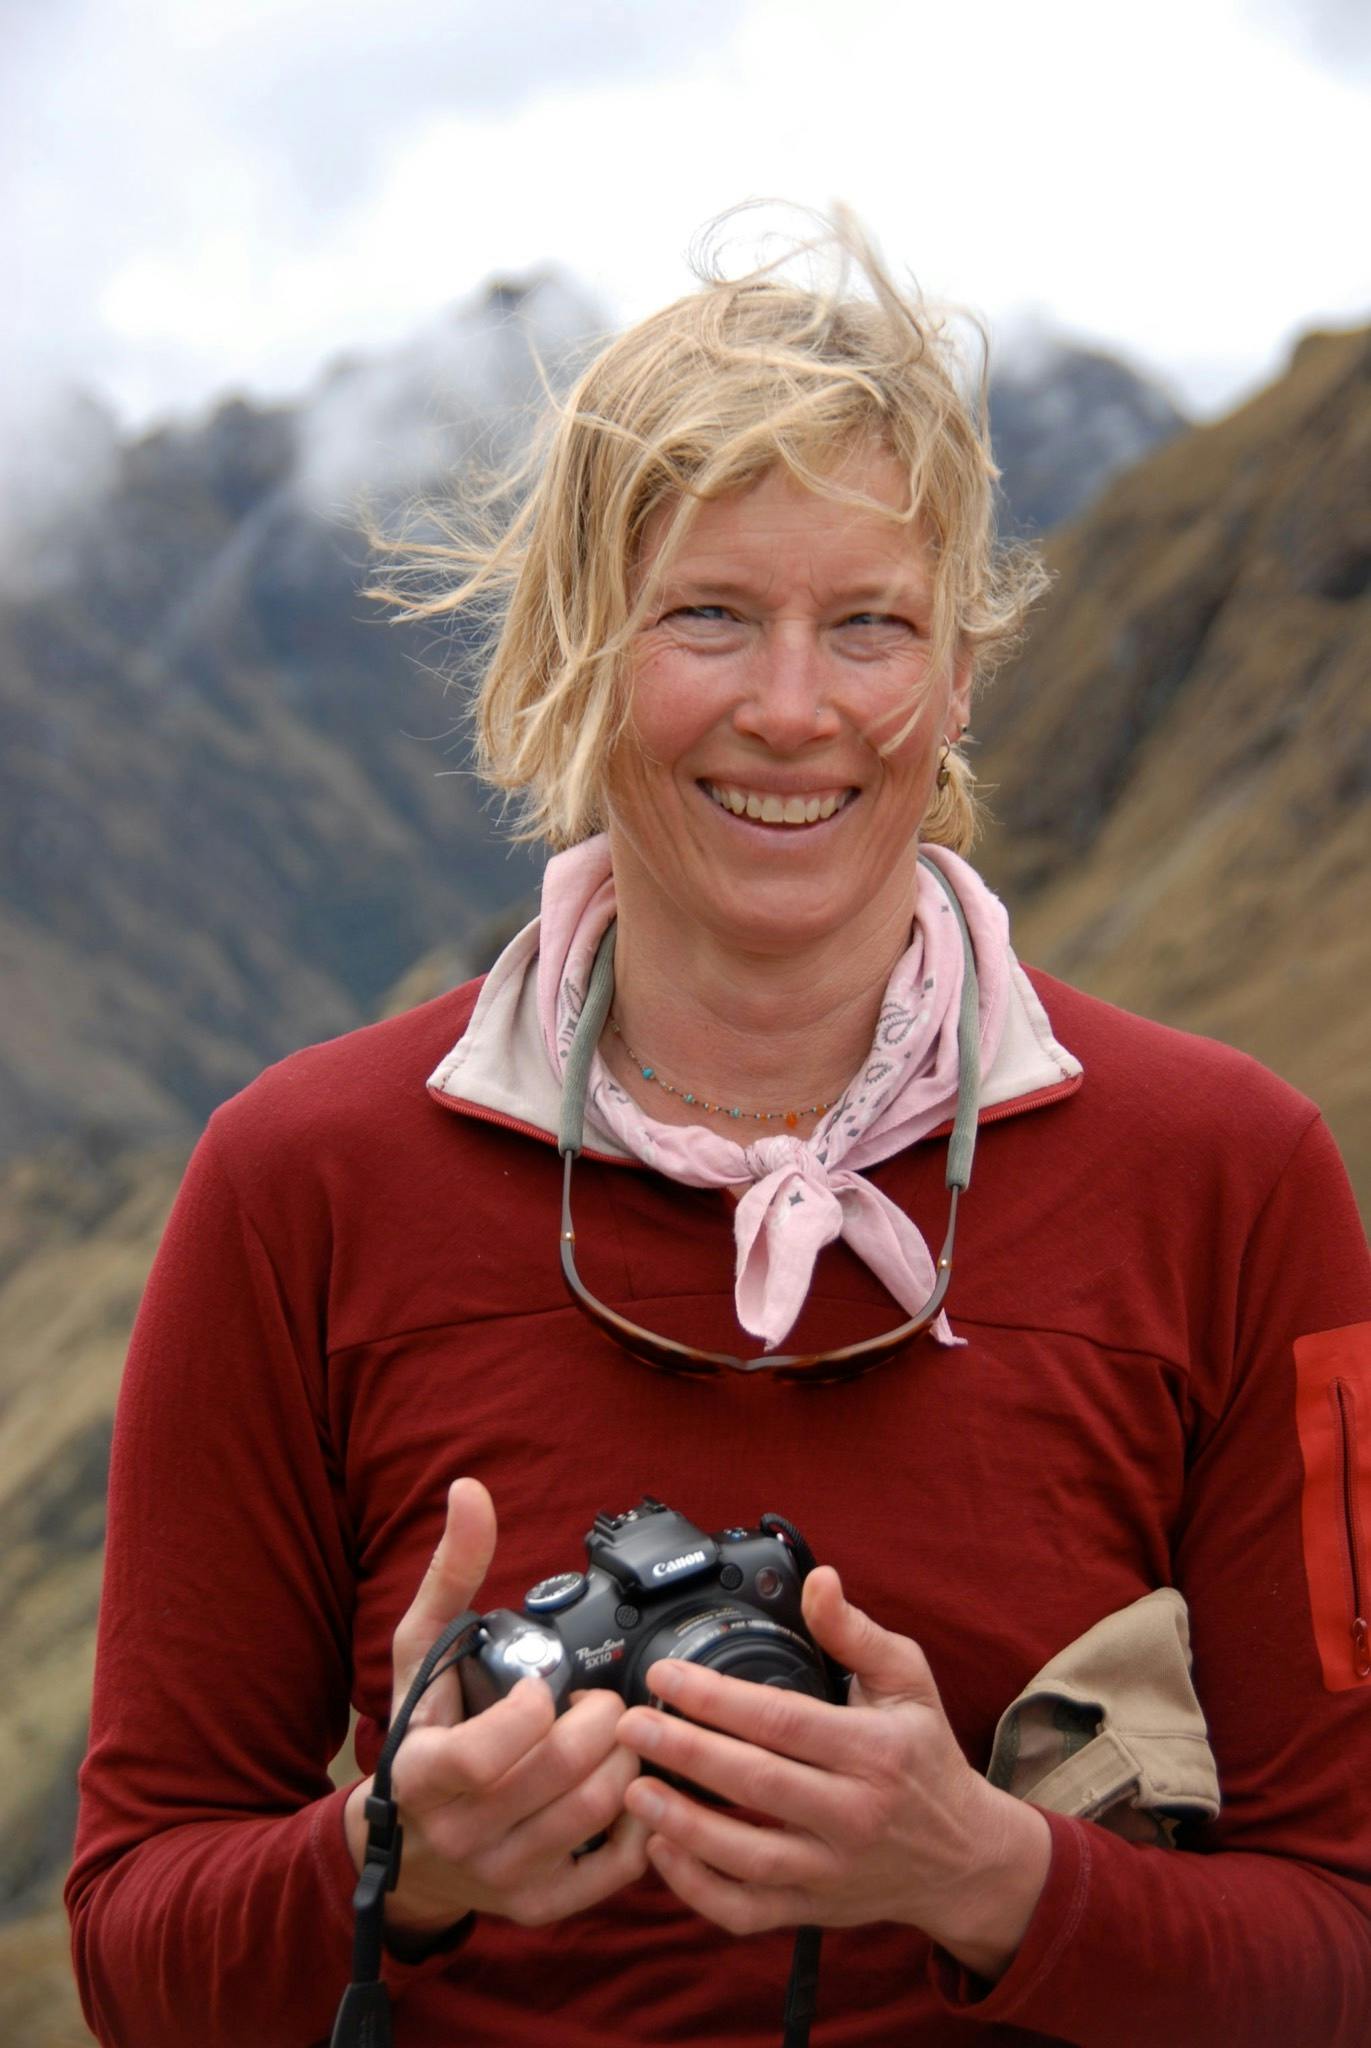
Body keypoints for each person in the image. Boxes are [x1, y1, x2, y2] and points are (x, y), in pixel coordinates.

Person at [67, 218, 1371, 2047]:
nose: (791, 706)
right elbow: (136, 1947)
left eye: (871, 625)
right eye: (706, 615)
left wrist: (986, 1879)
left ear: (964, 675)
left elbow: (1345, 1944)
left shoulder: (1232, 1184)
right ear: (580, 652)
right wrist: (397, 1862)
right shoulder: (300, 1189)